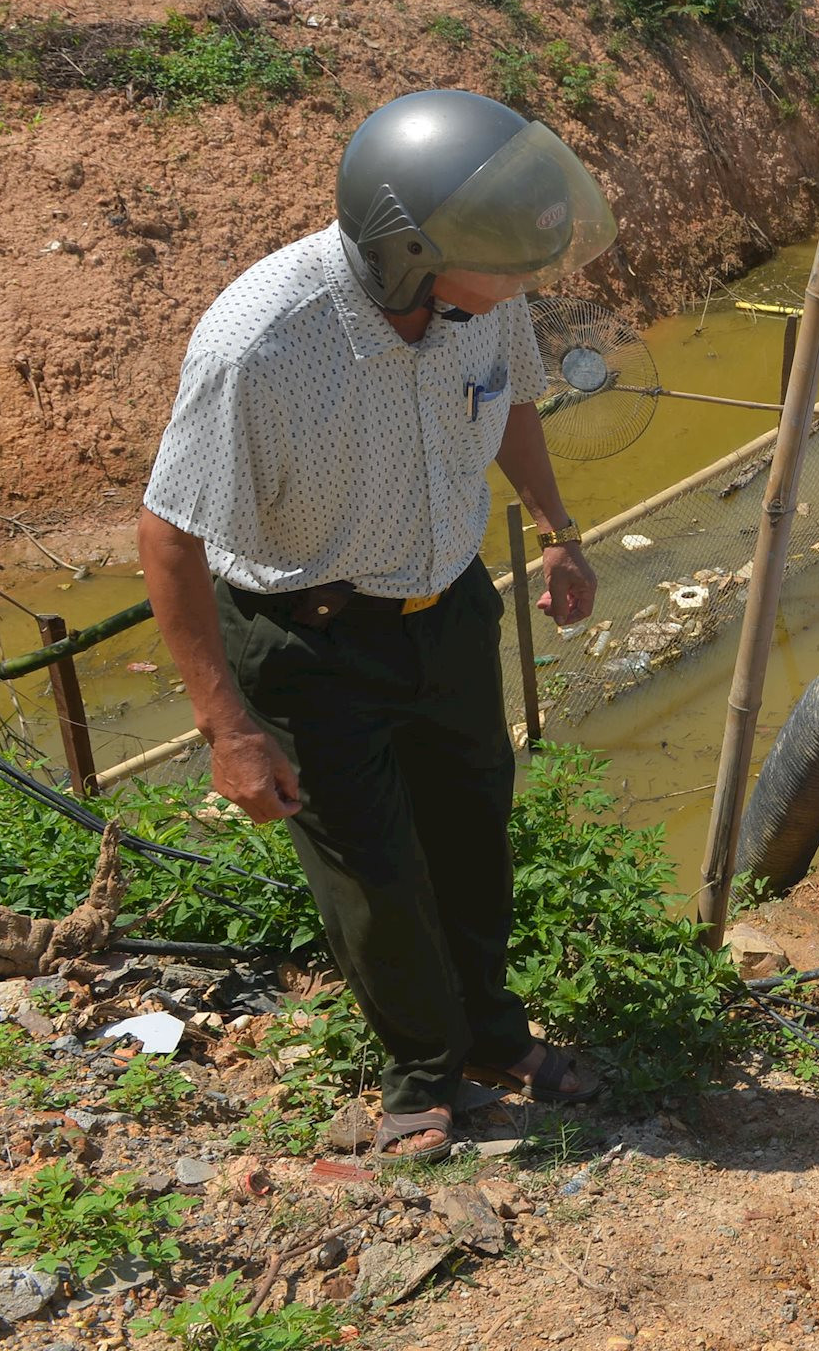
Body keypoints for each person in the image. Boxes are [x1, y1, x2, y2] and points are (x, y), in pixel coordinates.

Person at [138, 90, 615, 1161]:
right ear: (410, 251)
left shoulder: (482, 296)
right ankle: (422, 1074)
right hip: (314, 638)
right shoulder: (259, 343)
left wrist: (556, 529)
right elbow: (169, 537)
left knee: (472, 834)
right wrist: (228, 726)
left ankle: (493, 1034)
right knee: (375, 874)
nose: (521, 292)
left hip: (446, 612)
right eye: (505, 270)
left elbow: (516, 400)